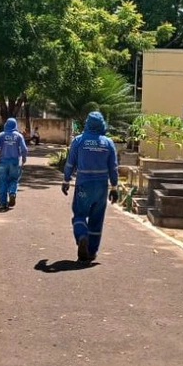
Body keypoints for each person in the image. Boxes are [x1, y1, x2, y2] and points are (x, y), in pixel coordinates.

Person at [61, 111, 119, 263]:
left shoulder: (79, 141)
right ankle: (91, 252)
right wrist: (114, 187)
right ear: (102, 124)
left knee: (79, 215)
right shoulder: (108, 143)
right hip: (101, 187)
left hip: (83, 185)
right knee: (96, 219)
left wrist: (66, 181)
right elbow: (113, 167)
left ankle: (82, 236)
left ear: (87, 123)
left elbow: (70, 163)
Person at [0, 118, 28, 210]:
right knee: (13, 180)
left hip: (3, 162)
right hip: (14, 162)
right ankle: (12, 193)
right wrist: (23, 158)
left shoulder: (1, 135)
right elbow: (24, 149)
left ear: (6, 125)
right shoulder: (19, 136)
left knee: (2, 182)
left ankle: (3, 203)